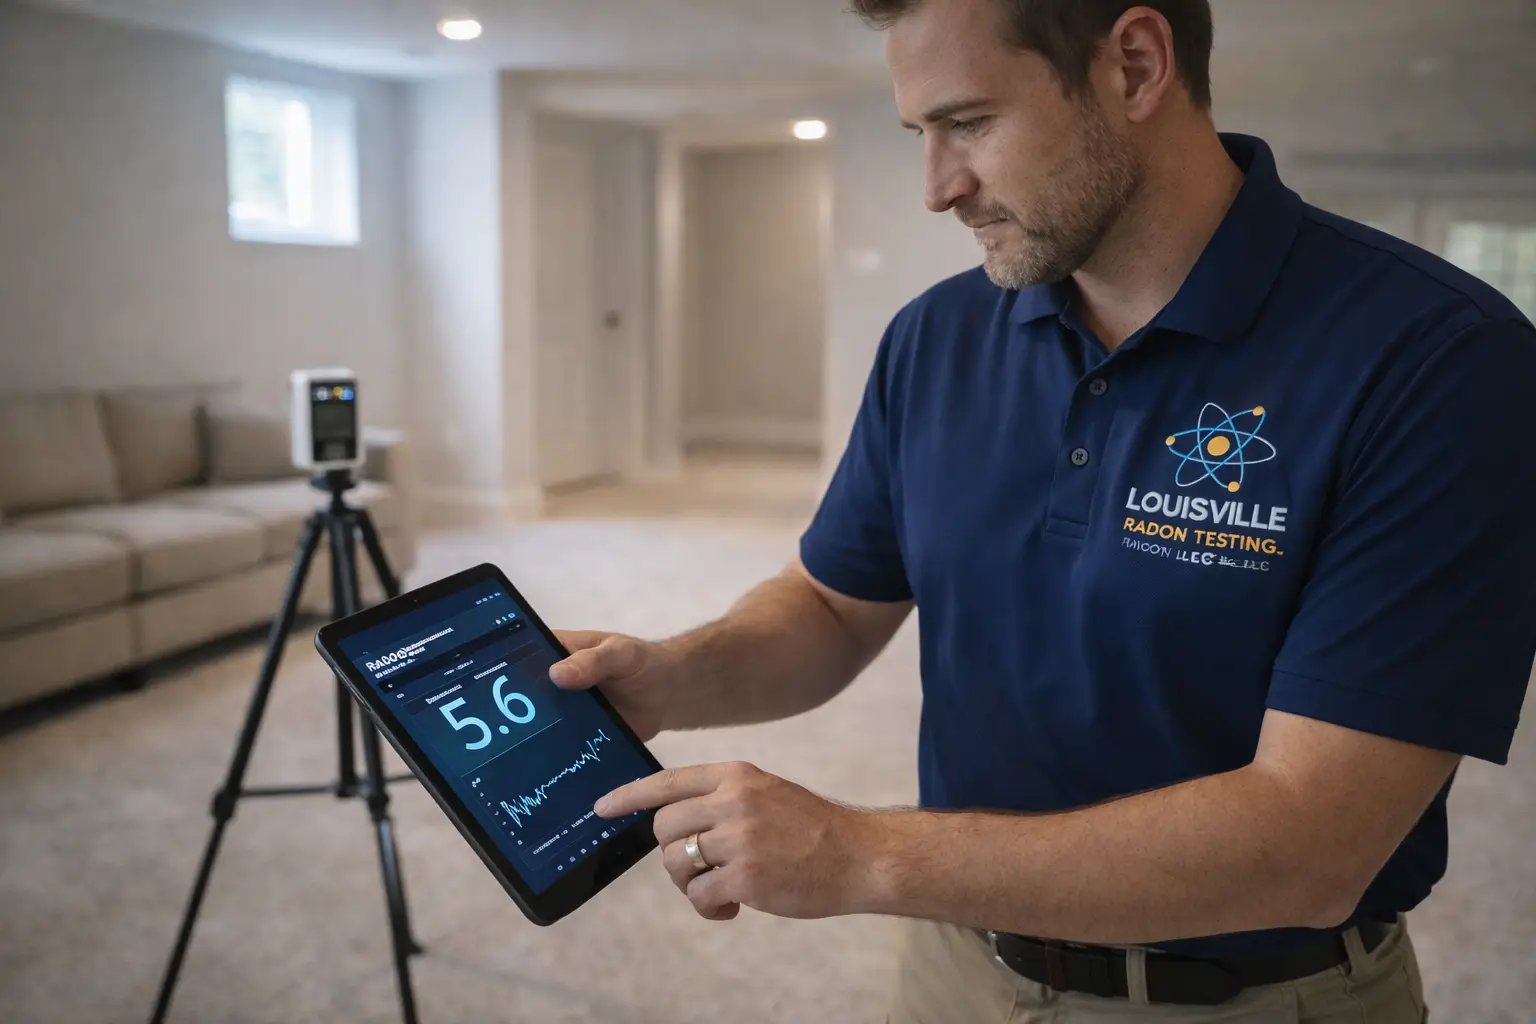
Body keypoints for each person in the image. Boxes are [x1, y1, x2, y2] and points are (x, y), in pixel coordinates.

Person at [549, 0, 1536, 1019]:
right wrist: (673, 675)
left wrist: (861, 854)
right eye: (918, 134)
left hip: (1252, 996)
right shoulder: (933, 339)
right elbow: (834, 605)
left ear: (1137, 66)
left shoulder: (1437, 362)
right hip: (957, 970)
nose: (937, 189)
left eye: (968, 122)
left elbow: (1312, 842)